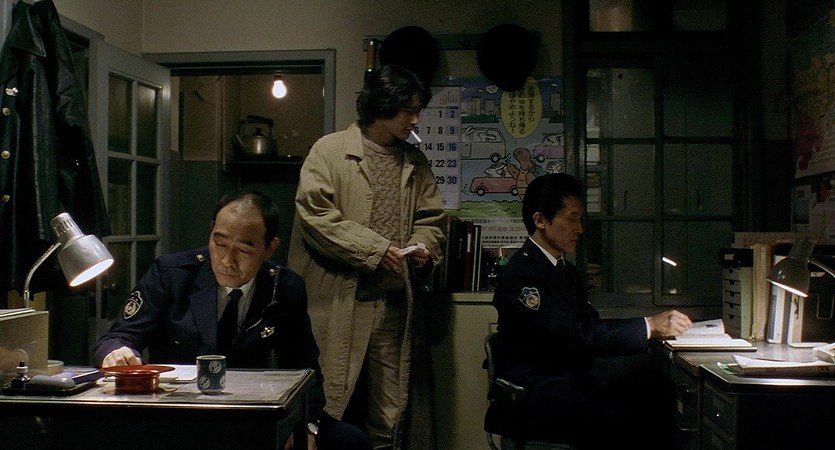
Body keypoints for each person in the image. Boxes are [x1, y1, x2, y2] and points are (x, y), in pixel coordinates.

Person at [92, 190, 371, 450]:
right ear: (210, 231)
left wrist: (307, 425)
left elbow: (306, 371)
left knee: (350, 441)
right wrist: (118, 352)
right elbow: (118, 337)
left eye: (245, 249)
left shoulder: (284, 288)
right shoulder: (171, 275)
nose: (227, 260)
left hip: (251, 413)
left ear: (270, 248)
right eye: (219, 243)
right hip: (179, 410)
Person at [287, 64, 446, 450]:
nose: (415, 120)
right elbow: (315, 217)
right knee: (327, 406)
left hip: (392, 304)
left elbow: (431, 218)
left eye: (417, 111)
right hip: (338, 302)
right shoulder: (329, 151)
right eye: (407, 111)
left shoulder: (414, 160)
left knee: (391, 415)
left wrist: (424, 247)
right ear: (382, 106)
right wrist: (375, 249)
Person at [487, 173, 693, 449]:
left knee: (654, 383)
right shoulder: (523, 275)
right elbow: (572, 336)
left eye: (580, 219)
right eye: (572, 219)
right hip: (537, 395)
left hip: (563, 383)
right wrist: (648, 326)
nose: (580, 229)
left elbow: (589, 326)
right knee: (644, 412)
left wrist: (648, 332)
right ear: (540, 220)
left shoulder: (563, 270)